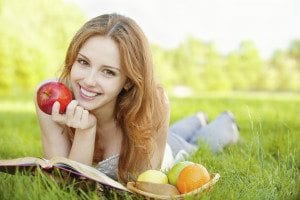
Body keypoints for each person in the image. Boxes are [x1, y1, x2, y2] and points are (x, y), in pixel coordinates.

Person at [35, 13, 239, 183]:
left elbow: (143, 182)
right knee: (180, 131)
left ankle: (227, 120)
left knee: (202, 143)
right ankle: (198, 118)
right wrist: (85, 132)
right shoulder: (51, 100)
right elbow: (63, 184)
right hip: (160, 134)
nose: (88, 81)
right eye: (83, 62)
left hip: (165, 150)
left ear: (128, 80)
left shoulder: (153, 101)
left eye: (108, 72)